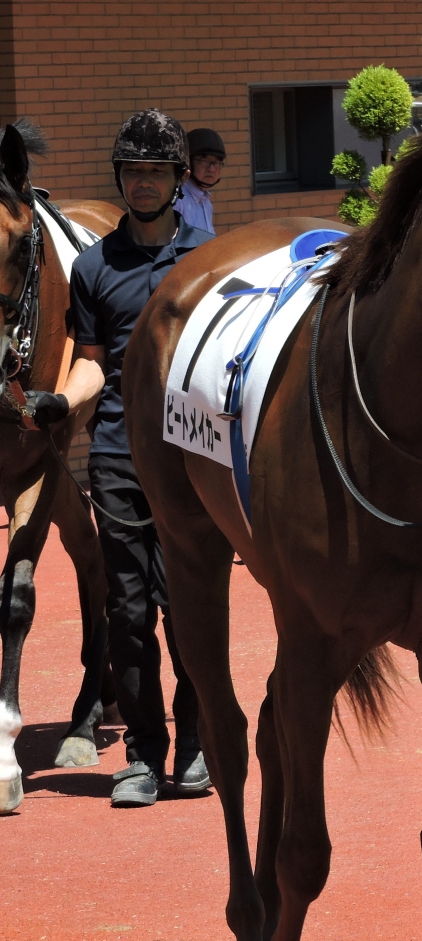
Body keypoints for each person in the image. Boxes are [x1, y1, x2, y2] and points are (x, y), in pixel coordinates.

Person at [25, 109, 214, 807]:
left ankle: (194, 745)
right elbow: (95, 360)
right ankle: (140, 753)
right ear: (120, 177)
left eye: (155, 171)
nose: (141, 182)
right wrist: (59, 401)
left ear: (174, 180)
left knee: (187, 605)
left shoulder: (206, 259)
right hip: (117, 455)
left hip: (193, 459)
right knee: (128, 611)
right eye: (132, 171)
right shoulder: (96, 265)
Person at [173, 127, 225, 234]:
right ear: (189, 163)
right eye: (204, 161)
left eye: (215, 163)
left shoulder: (206, 203)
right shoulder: (178, 201)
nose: (211, 169)